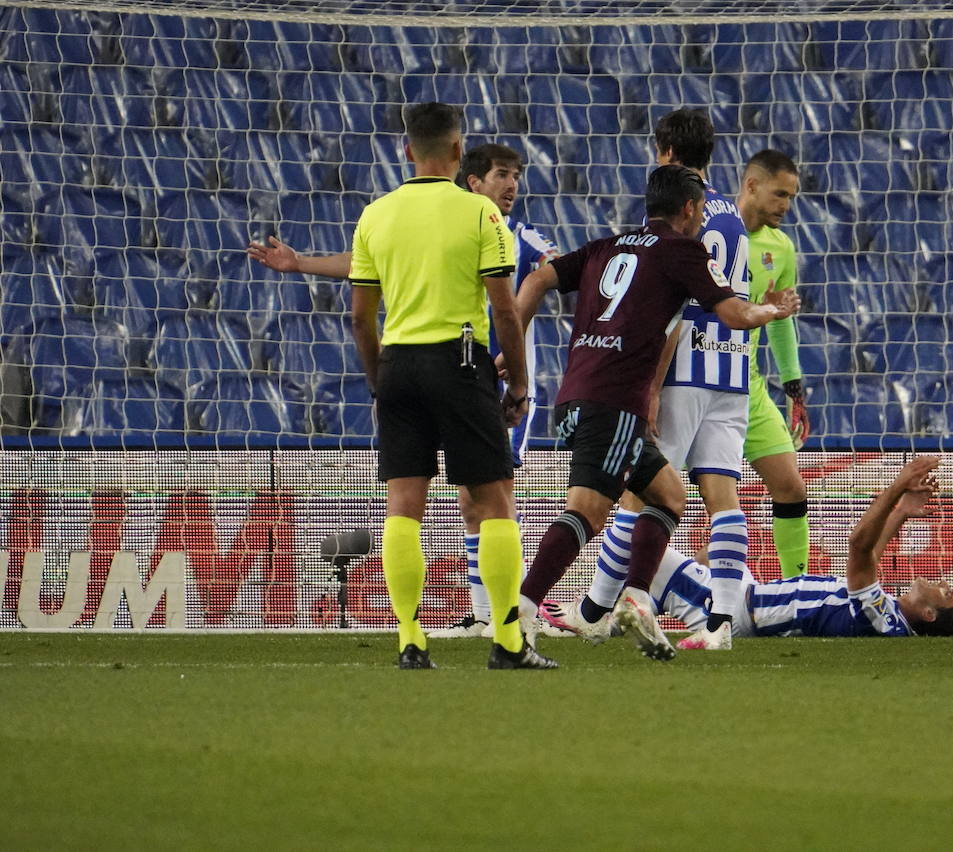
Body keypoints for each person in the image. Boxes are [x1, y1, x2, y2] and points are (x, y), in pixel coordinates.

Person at [248, 143, 558, 638]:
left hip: (487, 380)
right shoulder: (455, 223)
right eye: (502, 174)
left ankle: (506, 613)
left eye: (516, 175)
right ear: (472, 179)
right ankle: (492, 616)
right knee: (474, 499)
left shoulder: (518, 235)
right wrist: (301, 262)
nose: (512, 185)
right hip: (462, 374)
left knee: (492, 496)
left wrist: (514, 340)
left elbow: (549, 272)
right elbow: (366, 262)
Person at [507, 164, 800, 664]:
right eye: (702, 208)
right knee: (587, 511)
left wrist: (507, 349)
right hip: (616, 400)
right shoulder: (681, 251)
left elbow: (537, 280)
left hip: (576, 393)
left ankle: (637, 599)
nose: (705, 215)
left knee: (667, 494)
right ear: (688, 209)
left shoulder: (607, 245)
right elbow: (733, 314)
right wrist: (771, 310)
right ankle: (519, 618)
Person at [345, 103, 549, 670]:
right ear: (459, 154)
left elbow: (362, 319)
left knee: (404, 506)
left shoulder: (374, 216)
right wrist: (520, 386)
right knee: (494, 504)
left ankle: (411, 640)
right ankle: (508, 643)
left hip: (399, 366)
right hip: (461, 362)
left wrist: (378, 382)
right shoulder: (480, 216)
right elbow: (505, 311)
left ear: (407, 151)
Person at [548, 108, 758, 652]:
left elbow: (674, 315)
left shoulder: (684, 215)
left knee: (641, 494)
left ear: (665, 152)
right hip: (731, 369)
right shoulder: (733, 215)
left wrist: (649, 389)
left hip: (683, 369)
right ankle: (721, 626)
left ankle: (595, 607)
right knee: (722, 496)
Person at [622, 456, 953, 640]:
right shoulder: (889, 615)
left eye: (949, 594)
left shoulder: (884, 620)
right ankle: (647, 603)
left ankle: (610, 612)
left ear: (930, 614)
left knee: (630, 540)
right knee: (724, 543)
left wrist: (897, 486)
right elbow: (871, 561)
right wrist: (901, 514)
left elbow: (859, 547)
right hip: (748, 592)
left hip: (737, 613)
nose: (944, 584)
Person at [737, 149, 813, 581]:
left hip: (748, 386)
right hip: (694, 383)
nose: (786, 206)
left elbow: (781, 323)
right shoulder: (712, 232)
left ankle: (794, 589)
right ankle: (623, 593)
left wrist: (793, 388)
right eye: (779, 194)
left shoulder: (780, 247)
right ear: (751, 186)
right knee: (659, 496)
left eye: (791, 197)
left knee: (790, 487)